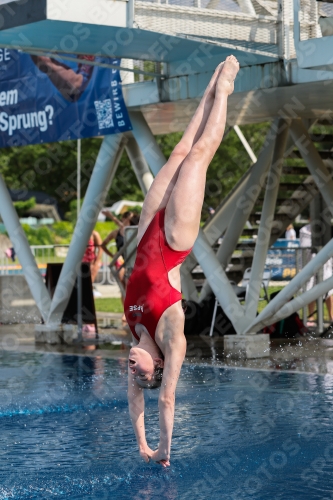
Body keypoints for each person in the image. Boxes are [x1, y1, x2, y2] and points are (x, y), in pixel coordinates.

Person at [124, 56, 240, 467]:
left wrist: (140, 444)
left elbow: (135, 400)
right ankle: (224, 90)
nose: (131, 372)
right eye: (139, 373)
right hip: (173, 239)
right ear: (155, 366)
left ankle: (209, 85)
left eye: (131, 374)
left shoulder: (134, 328)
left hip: (144, 235)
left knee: (176, 152)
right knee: (197, 157)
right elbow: (165, 398)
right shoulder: (172, 337)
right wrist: (162, 451)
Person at [101, 211, 134, 319]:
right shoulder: (116, 232)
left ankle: (132, 308)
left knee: (130, 286)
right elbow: (103, 244)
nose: (128, 222)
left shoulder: (134, 231)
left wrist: (111, 216)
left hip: (132, 260)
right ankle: (125, 311)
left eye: (130, 220)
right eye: (127, 219)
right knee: (123, 286)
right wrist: (112, 255)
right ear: (123, 219)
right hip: (120, 259)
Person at [299, 223, 333, 322]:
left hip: (326, 264)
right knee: (311, 290)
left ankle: (331, 316)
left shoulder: (328, 228)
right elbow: (305, 247)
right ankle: (311, 317)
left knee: (329, 291)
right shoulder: (304, 230)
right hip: (311, 264)